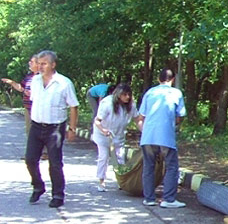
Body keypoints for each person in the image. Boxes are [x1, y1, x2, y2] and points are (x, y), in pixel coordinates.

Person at [25, 50, 79, 208]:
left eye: (44, 64)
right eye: (39, 64)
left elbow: (74, 106)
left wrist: (72, 128)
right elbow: (34, 101)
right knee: (30, 159)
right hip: (36, 125)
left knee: (55, 162)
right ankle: (38, 186)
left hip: (54, 127)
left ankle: (58, 194)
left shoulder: (64, 83)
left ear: (53, 65)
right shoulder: (35, 81)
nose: (41, 67)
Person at [137, 69, 186, 208]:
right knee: (171, 166)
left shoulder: (150, 92)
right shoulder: (176, 93)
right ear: (173, 79)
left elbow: (141, 117)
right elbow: (179, 117)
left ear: (159, 79)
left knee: (149, 166)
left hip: (148, 136)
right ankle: (169, 199)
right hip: (166, 136)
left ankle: (149, 198)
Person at [91, 83, 138, 191]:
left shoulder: (131, 105)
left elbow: (137, 119)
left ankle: (121, 181)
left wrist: (145, 131)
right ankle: (101, 181)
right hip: (103, 134)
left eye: (129, 95)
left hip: (118, 135)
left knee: (120, 157)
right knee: (104, 157)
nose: (127, 97)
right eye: (125, 94)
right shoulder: (107, 103)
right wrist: (103, 130)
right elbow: (97, 121)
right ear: (118, 95)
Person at [2, 54, 38, 134]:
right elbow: (21, 88)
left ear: (38, 64)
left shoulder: (43, 77)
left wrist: (34, 94)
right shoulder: (29, 76)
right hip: (28, 108)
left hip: (39, 110)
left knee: (40, 135)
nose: (29, 63)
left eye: (32, 62)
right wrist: (12, 83)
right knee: (30, 133)